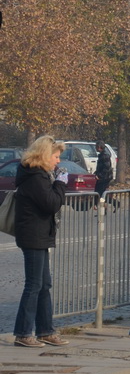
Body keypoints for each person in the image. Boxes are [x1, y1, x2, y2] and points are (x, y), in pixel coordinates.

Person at [13, 135, 71, 348]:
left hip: (39, 235)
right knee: (34, 285)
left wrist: (55, 183)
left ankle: (46, 330)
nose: (58, 161)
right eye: (55, 157)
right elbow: (51, 204)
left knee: (44, 284)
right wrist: (60, 184)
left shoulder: (37, 175)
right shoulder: (35, 177)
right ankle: (22, 332)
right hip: (33, 235)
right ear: (45, 156)